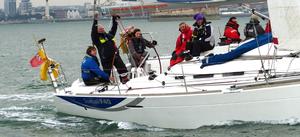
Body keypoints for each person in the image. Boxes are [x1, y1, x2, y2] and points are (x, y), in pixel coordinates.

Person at [91, 13, 129, 84]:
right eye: (100, 29)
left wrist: (115, 20)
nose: (102, 29)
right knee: (107, 74)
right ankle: (107, 84)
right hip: (106, 59)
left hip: (115, 56)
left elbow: (114, 29)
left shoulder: (108, 35)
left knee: (123, 69)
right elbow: (93, 31)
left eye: (103, 28)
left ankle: (125, 80)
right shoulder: (96, 39)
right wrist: (95, 20)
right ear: (97, 30)